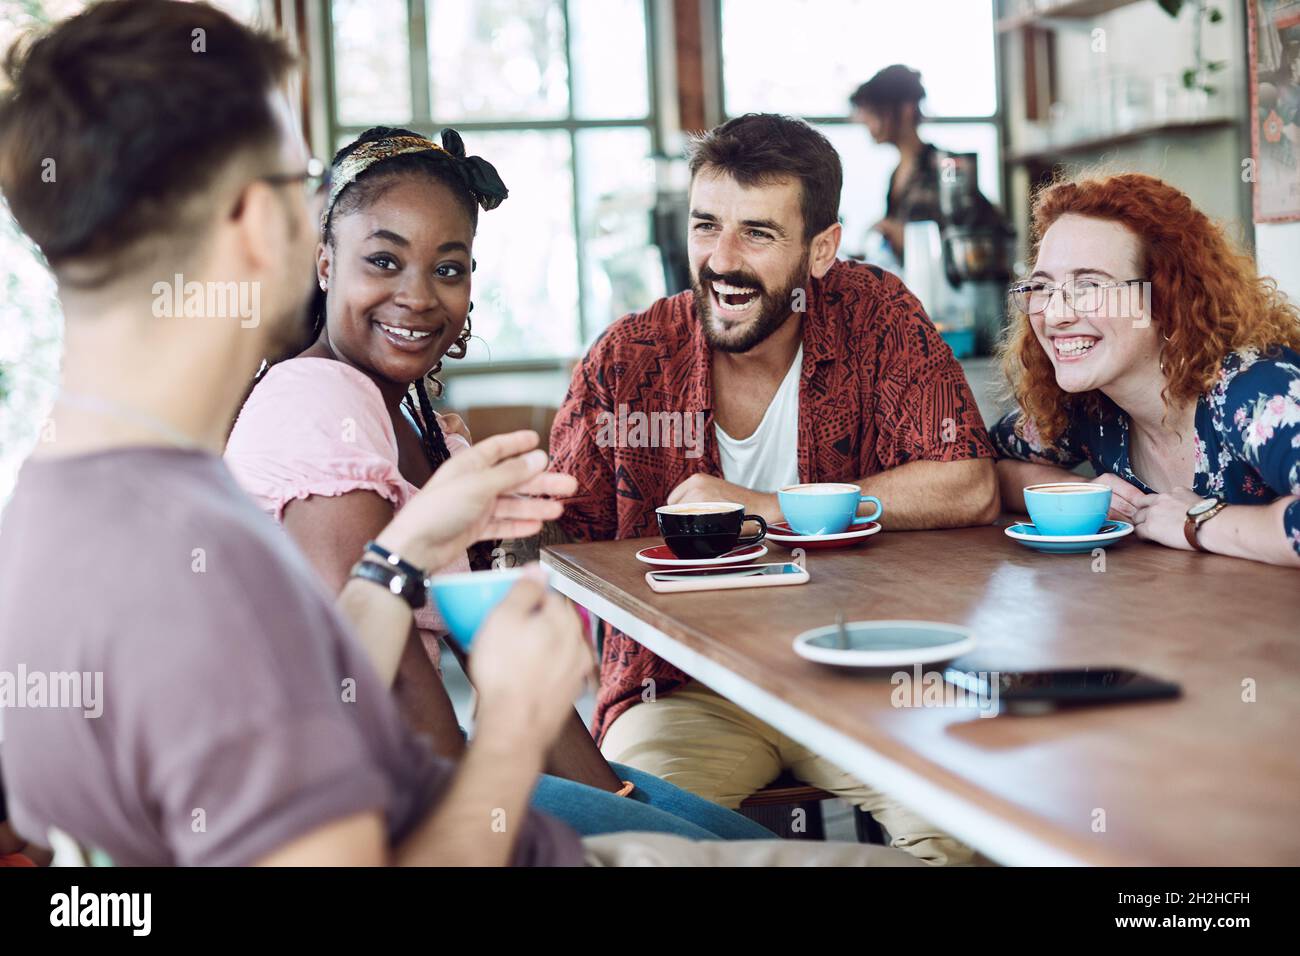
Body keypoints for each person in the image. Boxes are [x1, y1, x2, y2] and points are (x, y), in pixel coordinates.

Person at [0, 0, 921, 867]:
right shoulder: (211, 551)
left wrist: (406, 551)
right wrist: (516, 720)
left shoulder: (62, 509)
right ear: (254, 222)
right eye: (294, 184)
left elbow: (305, 700)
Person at [224, 125, 771, 841]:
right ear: (326, 263)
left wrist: (625, 800)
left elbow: (497, 659)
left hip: (435, 780)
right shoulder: (316, 405)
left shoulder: (426, 429)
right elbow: (378, 679)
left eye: (448, 268)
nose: (418, 297)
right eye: (384, 261)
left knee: (743, 846)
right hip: (363, 809)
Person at [548, 112, 999, 865]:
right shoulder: (629, 358)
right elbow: (563, 537)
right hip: (681, 689)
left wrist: (764, 508)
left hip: (863, 669)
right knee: (624, 849)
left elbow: (968, 484)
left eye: (756, 233)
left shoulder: (877, 317)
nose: (720, 260)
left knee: (974, 832)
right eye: (705, 226)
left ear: (821, 249)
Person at [992, 172, 1300, 567]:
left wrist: (1197, 524)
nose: (1054, 314)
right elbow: (979, 468)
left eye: (1089, 287)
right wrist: (1083, 493)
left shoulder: (1255, 391)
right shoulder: (1087, 404)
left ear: (1168, 299)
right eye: (1043, 287)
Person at [849, 65, 940, 264]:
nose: (865, 121)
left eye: (874, 112)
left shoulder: (944, 168)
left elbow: (970, 243)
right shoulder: (896, 173)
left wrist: (898, 233)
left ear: (906, 109)